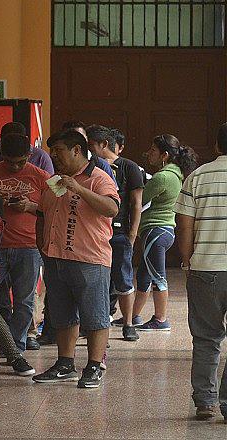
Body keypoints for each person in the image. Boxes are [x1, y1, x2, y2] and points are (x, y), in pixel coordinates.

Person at [32, 129, 119, 389]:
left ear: (76, 150)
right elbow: (41, 214)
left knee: (96, 314)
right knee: (62, 313)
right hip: (55, 257)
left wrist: (78, 189)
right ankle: (65, 364)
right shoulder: (54, 180)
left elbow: (111, 208)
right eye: (52, 151)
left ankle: (94, 366)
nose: (54, 156)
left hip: (89, 258)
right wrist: (42, 245)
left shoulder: (98, 178)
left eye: (59, 151)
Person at [0, 134, 51, 353]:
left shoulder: (42, 176)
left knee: (24, 300)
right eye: (10, 162)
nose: (15, 166)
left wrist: (30, 206)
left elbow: (54, 209)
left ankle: (15, 347)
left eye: (21, 162)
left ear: (30, 156)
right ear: (1, 156)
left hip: (28, 246)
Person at [175, 122, 227, 421]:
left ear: (217, 146)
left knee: (206, 338)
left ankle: (205, 402)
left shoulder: (198, 176)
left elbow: (184, 224)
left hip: (206, 268)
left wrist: (187, 261)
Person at [133, 134, 198, 331]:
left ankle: (161, 319)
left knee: (158, 277)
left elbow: (139, 199)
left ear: (165, 154)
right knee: (144, 275)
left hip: (155, 230)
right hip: (165, 230)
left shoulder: (163, 177)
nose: (148, 154)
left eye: (153, 150)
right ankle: (133, 316)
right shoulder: (176, 174)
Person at [86, 125, 144, 341]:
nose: (89, 150)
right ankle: (101, 325)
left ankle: (128, 323)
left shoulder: (129, 167)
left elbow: (136, 202)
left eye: (92, 145)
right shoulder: (89, 166)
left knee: (123, 279)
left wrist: (132, 233)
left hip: (119, 232)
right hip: (94, 232)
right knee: (98, 281)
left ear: (104, 144)